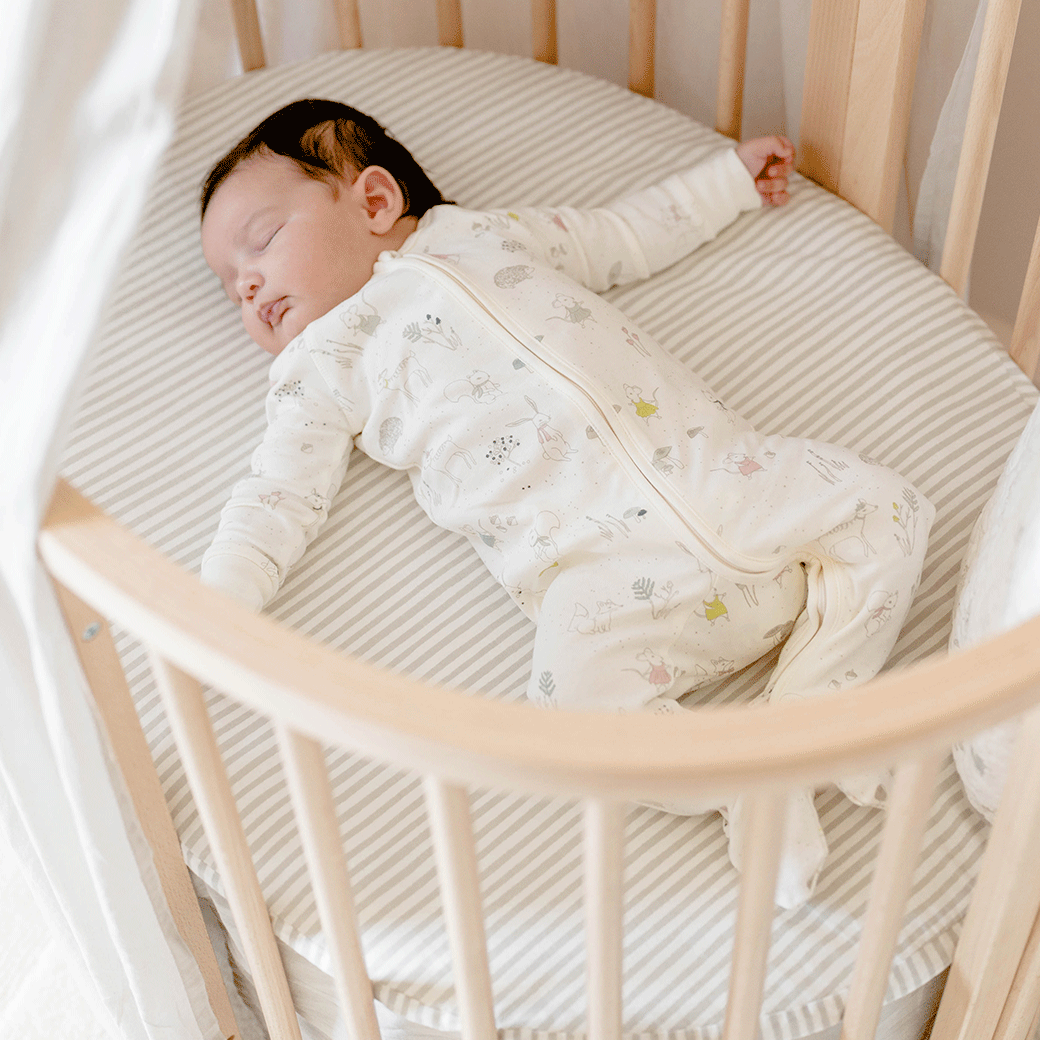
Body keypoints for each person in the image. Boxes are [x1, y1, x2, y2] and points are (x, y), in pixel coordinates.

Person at [199, 98, 933, 907]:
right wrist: (214, 608)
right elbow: (276, 495)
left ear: (374, 201)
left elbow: (618, 238)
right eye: (231, 285)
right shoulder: (319, 367)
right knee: (569, 711)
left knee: (888, 506)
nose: (248, 286)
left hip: (720, 477)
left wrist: (726, 182)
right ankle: (747, 781)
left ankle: (813, 714)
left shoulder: (480, 235)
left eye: (260, 243)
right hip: (596, 577)